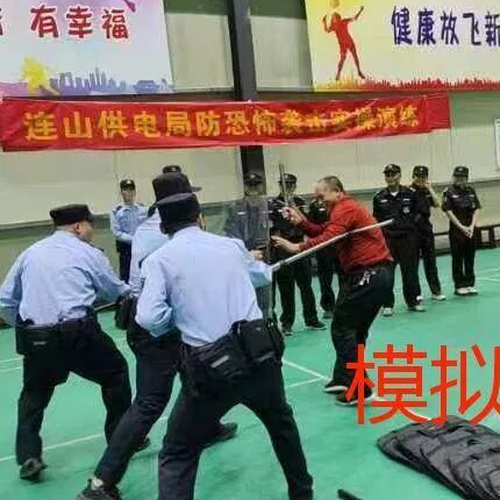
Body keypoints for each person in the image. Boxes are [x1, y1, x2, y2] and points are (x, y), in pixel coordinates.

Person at [135, 191, 314, 500]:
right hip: (259, 354)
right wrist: (255, 265)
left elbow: (148, 318)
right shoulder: (231, 246)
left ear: (164, 228)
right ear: (201, 219)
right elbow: (261, 277)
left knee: (178, 451)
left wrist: (177, 314)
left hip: (210, 368)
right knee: (282, 425)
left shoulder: (158, 260)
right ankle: (302, 494)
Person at [77, 174, 237, 500]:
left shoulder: (149, 227)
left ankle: (209, 428)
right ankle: (101, 482)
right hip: (157, 323)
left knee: (198, 377)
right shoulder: (166, 235)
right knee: (150, 401)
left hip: (153, 318)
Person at [0, 205, 132, 482]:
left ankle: (29, 456)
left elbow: (6, 300)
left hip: (37, 337)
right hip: (78, 334)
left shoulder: (30, 252)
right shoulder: (88, 253)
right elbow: (114, 290)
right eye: (89, 225)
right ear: (78, 226)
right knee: (116, 375)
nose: (91, 231)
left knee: (34, 393)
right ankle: (119, 440)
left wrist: (25, 327)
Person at [273, 176, 393, 406]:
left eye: (322, 196)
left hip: (369, 274)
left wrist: (297, 246)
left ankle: (359, 388)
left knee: (343, 327)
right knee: (355, 330)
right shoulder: (341, 209)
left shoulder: (345, 208)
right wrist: (302, 223)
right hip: (373, 275)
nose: (320, 201)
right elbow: (324, 230)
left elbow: (329, 238)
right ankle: (343, 377)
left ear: (337, 191)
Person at [269, 173, 325, 334]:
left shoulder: (300, 203)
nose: (287, 187)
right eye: (283, 184)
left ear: (294, 186)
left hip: (300, 246)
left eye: (290, 184)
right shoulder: (273, 205)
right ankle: (287, 323)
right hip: (283, 248)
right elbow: (273, 227)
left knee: (306, 285)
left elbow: (308, 223)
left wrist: (294, 208)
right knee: (286, 287)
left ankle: (311, 319)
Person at [373, 164, 424, 316]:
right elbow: (376, 219)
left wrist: (409, 225)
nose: (390, 177)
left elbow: (419, 213)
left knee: (410, 271)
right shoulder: (379, 196)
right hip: (389, 240)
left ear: (399, 175)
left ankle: (413, 301)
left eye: (393, 174)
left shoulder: (410, 193)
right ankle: (387, 304)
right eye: (387, 175)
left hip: (408, 238)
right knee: (387, 273)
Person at [224, 172, 272, 318]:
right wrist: (245, 254)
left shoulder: (269, 205)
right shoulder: (235, 208)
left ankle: (268, 323)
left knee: (266, 295)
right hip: (243, 256)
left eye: (256, 185)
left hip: (265, 254)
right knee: (244, 294)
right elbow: (231, 233)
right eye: (250, 185)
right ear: (245, 187)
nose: (253, 188)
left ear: (261, 186)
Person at [442, 166, 482, 296]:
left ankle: (470, 283)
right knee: (458, 258)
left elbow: (477, 208)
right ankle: (459, 285)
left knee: (470, 257)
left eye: (462, 177)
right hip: (457, 230)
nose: (459, 179)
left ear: (466, 178)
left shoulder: (471, 190)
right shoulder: (448, 192)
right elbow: (448, 212)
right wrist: (462, 227)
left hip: (470, 229)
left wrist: (471, 226)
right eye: (457, 177)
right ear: (454, 177)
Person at [411, 166, 446, 302]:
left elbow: (438, 204)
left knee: (431, 261)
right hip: (412, 231)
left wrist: (430, 189)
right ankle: (416, 293)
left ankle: (436, 291)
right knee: (413, 264)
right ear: (413, 177)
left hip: (426, 230)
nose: (420, 179)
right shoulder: (408, 192)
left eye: (423, 176)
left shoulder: (427, 191)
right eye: (418, 176)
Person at [110, 179, 148, 282]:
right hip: (126, 249)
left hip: (142, 246)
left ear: (135, 192)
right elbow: (117, 232)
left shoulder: (142, 209)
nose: (129, 192)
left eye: (131, 190)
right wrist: (134, 239)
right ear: (121, 192)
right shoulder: (116, 211)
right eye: (126, 190)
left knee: (143, 273)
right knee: (126, 275)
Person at [308, 184, 337, 319]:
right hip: (323, 246)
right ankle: (328, 306)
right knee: (325, 279)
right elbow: (312, 226)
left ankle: (344, 304)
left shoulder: (338, 203)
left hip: (339, 244)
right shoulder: (314, 205)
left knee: (345, 276)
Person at [322, 4, 366, 80]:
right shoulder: (333, 26)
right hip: (343, 46)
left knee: (355, 56)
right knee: (342, 59)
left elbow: (355, 18)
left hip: (350, 42)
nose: (333, 19)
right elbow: (326, 30)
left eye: (334, 17)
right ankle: (338, 74)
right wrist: (324, 22)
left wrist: (360, 10)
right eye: (332, 18)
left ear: (338, 17)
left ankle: (359, 71)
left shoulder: (344, 21)